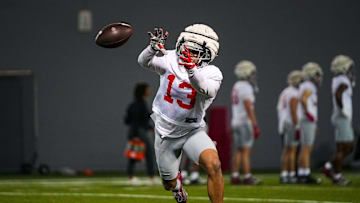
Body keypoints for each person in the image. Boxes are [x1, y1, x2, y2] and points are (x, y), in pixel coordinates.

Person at [137, 24, 224, 203]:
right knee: (168, 183)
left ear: (208, 54)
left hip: (192, 130)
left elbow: (205, 89)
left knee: (213, 165)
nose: (189, 54)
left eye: (196, 51)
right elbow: (144, 62)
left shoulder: (212, 73)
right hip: (165, 132)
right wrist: (151, 49)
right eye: (188, 48)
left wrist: (192, 70)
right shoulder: (171, 59)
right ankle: (177, 188)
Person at [322, 55, 356, 186]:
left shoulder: (337, 79)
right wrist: (342, 109)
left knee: (347, 147)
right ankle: (336, 174)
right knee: (344, 148)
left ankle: (330, 168)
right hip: (342, 116)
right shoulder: (343, 80)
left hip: (340, 116)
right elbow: (338, 94)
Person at [230, 60, 261, 185]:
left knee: (238, 150)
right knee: (246, 151)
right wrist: (255, 124)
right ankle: (247, 176)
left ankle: (235, 175)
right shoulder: (246, 87)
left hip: (235, 120)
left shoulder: (236, 85)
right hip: (244, 121)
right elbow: (248, 106)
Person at [124, 82, 157, 185]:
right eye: (147, 89)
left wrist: (150, 127)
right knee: (141, 154)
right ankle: (139, 177)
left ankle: (134, 177)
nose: (149, 91)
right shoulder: (139, 104)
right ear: (143, 91)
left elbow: (127, 120)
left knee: (138, 154)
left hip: (137, 131)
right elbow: (136, 121)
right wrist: (135, 135)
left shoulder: (136, 103)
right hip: (139, 132)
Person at [297, 62, 323, 184]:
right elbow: (304, 99)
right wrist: (308, 114)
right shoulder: (309, 86)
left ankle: (302, 173)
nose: (318, 77)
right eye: (317, 74)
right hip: (307, 120)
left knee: (305, 148)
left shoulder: (304, 85)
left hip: (306, 120)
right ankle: (305, 173)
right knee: (307, 148)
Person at [277, 70, 303, 184]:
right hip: (291, 123)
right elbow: (293, 110)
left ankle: (284, 173)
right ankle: (292, 174)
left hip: (284, 122)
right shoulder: (294, 93)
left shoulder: (285, 91)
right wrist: (297, 126)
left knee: (286, 150)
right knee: (292, 150)